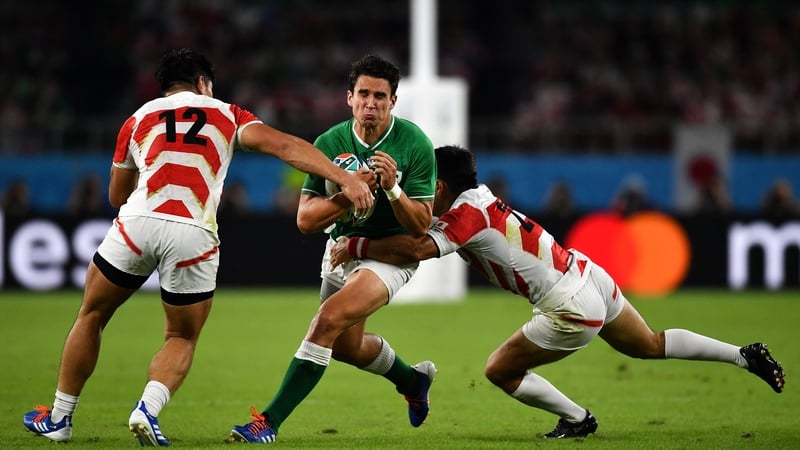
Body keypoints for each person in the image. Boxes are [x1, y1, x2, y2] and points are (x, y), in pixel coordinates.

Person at [22, 48, 374, 446]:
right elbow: (285, 147)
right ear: (203, 83)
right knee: (181, 336)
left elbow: (117, 196)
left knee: (92, 314)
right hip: (193, 233)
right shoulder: (226, 114)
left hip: (138, 224)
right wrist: (345, 179)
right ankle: (147, 409)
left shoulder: (137, 118)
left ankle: (60, 417)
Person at [330, 145, 786, 439]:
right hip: (588, 274)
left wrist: (355, 245)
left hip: (569, 306)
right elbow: (419, 223)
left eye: (427, 181)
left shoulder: (466, 217)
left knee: (499, 370)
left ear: (441, 185)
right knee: (649, 344)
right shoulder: (479, 198)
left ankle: (577, 419)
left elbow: (416, 247)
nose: (421, 189)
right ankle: (743, 356)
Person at [228, 54, 438, 444]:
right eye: (364, 94)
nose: (370, 103)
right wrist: (347, 193)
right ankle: (413, 380)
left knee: (326, 321)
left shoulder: (415, 144)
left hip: (390, 255)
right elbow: (306, 221)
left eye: (380, 96)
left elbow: (421, 226)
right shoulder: (329, 143)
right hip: (342, 250)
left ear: (393, 101)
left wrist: (393, 188)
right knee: (346, 347)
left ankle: (267, 423)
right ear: (349, 97)